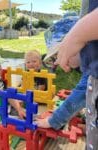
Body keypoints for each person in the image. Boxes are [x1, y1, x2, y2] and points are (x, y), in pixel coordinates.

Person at [38, 1, 98, 149]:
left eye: (60, 53)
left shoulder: (93, 68)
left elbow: (78, 95)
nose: (58, 61)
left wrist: (53, 121)